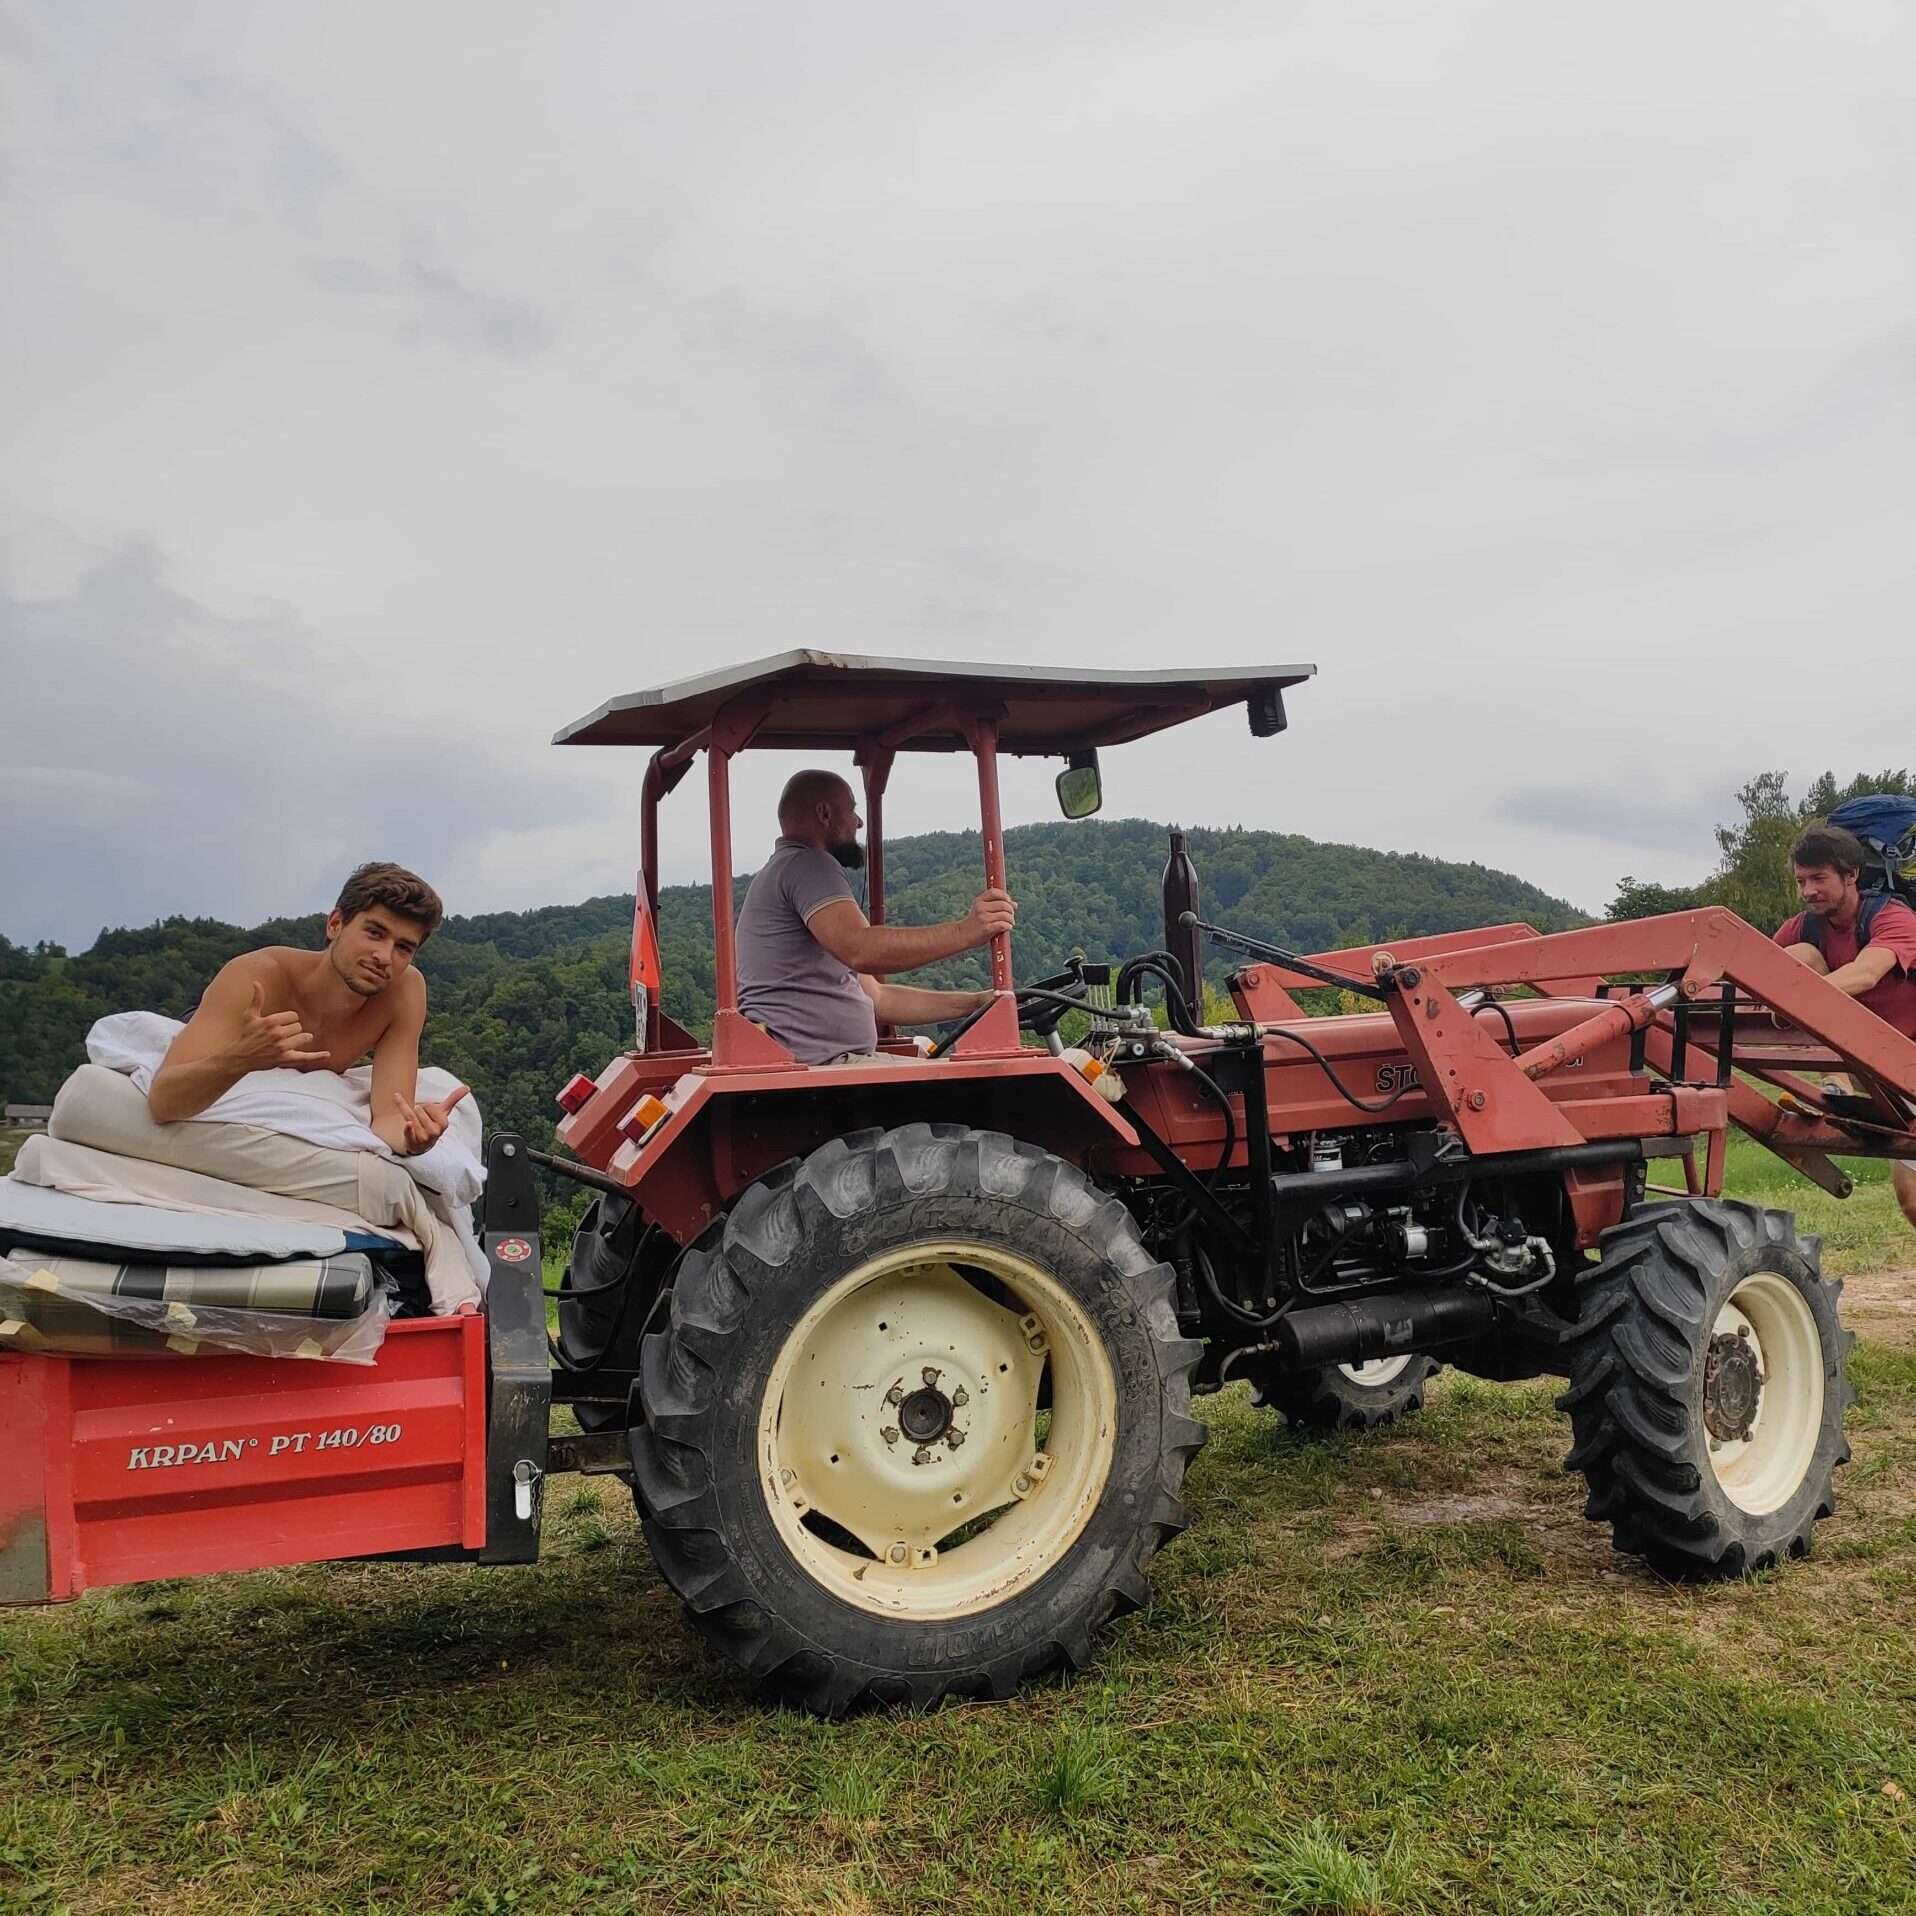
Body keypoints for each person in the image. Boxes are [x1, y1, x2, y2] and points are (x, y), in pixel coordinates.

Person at [146, 861, 467, 1157]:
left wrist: (415, 1141)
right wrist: (241, 1057)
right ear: (336, 924)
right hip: (220, 1033)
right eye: (374, 933)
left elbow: (389, 1117)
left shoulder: (403, 991)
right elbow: (163, 1102)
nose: (384, 956)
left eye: (403, 947)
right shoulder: (257, 976)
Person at [736, 770, 1016, 1064]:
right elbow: (860, 948)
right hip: (820, 1068)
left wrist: (977, 1002)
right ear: (824, 814)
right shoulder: (809, 864)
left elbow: (879, 999)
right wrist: (965, 932)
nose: (859, 822)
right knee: (985, 1083)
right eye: (853, 810)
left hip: (818, 1062)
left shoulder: (781, 870)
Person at [1774, 823, 1916, 1230]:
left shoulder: (1893, 917)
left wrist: (1791, 1001)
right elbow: (1757, 963)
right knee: (1796, 955)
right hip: (1876, 1068)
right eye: (1802, 881)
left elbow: (1866, 974)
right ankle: (1835, 1085)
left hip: (1909, 1057)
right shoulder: (1806, 928)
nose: (1808, 891)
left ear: (1851, 875)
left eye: (1819, 879)